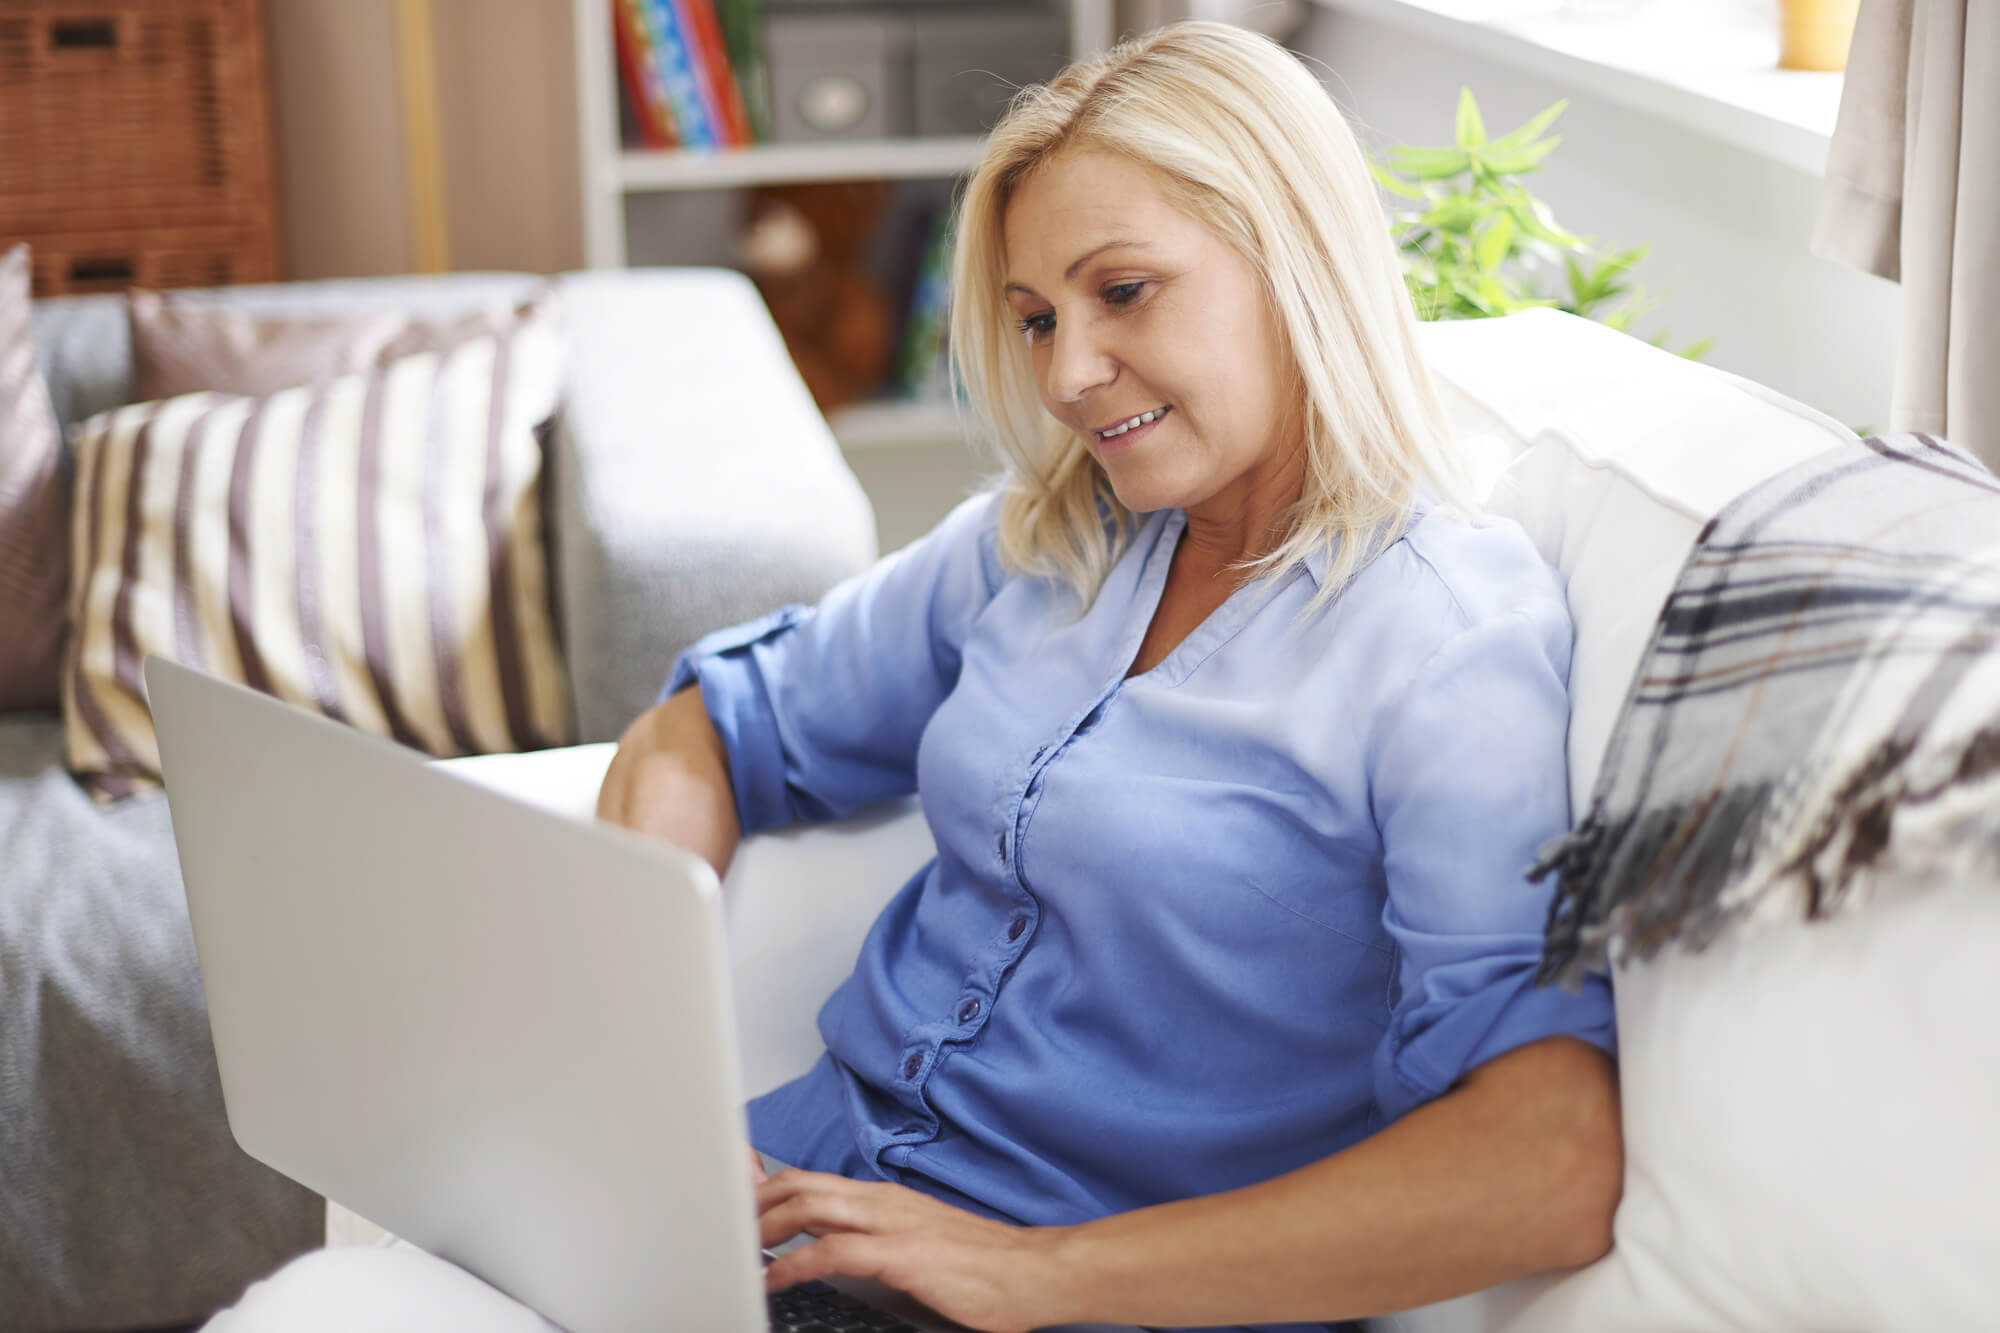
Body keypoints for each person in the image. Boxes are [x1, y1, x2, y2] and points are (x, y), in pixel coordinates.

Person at [203, 20, 1619, 1333]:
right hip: (776, 1222)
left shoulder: (1447, 641)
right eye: (1036, 316)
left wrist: (1032, 1270)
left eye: (1122, 291)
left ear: (1296, 258)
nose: (1068, 374)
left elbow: (1546, 1154)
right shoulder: (1047, 538)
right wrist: (645, 1091)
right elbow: (710, 729)